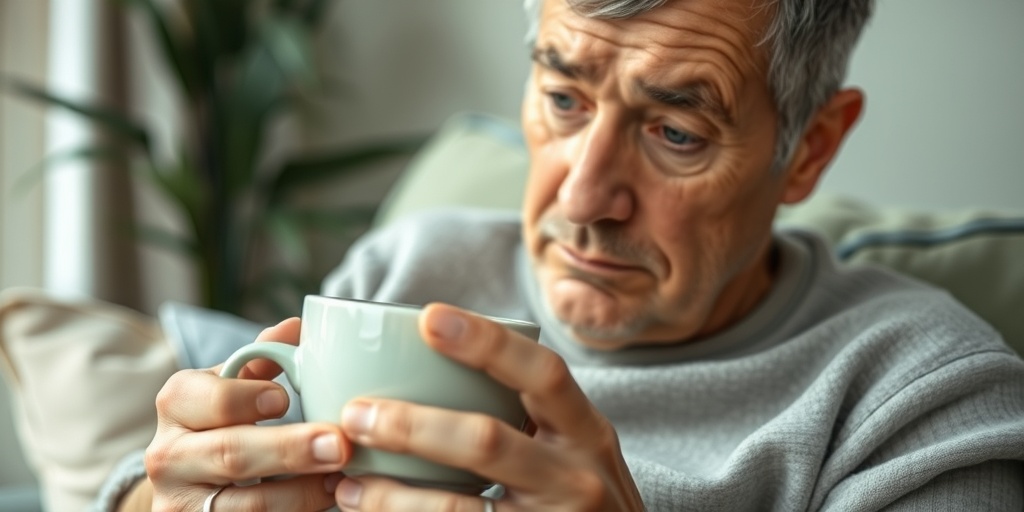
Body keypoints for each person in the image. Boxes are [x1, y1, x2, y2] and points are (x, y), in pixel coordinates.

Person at [100, 0, 1024, 510]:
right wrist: (173, 501)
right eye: (566, 99)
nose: (583, 197)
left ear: (811, 148)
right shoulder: (405, 272)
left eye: (675, 131)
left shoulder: (924, 400)